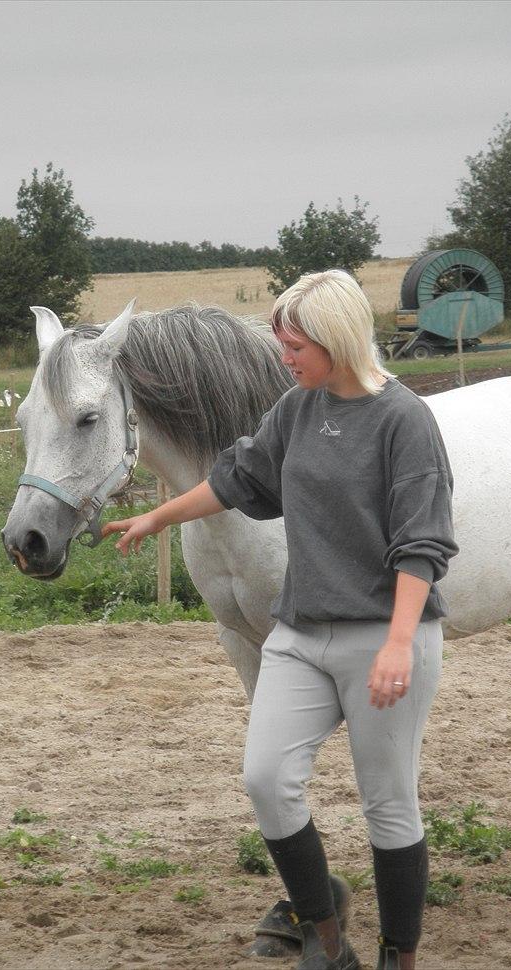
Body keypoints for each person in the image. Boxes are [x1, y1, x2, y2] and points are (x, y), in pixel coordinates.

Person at [102, 269, 458, 970]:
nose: (283, 355)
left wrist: (396, 646)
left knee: (388, 802)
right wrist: (158, 515)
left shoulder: (404, 419)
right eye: (280, 340)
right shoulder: (296, 408)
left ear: (336, 339)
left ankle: (399, 957)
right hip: (301, 631)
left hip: (386, 636)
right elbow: (240, 478)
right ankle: (327, 941)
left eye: (294, 343)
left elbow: (423, 545)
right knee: (267, 779)